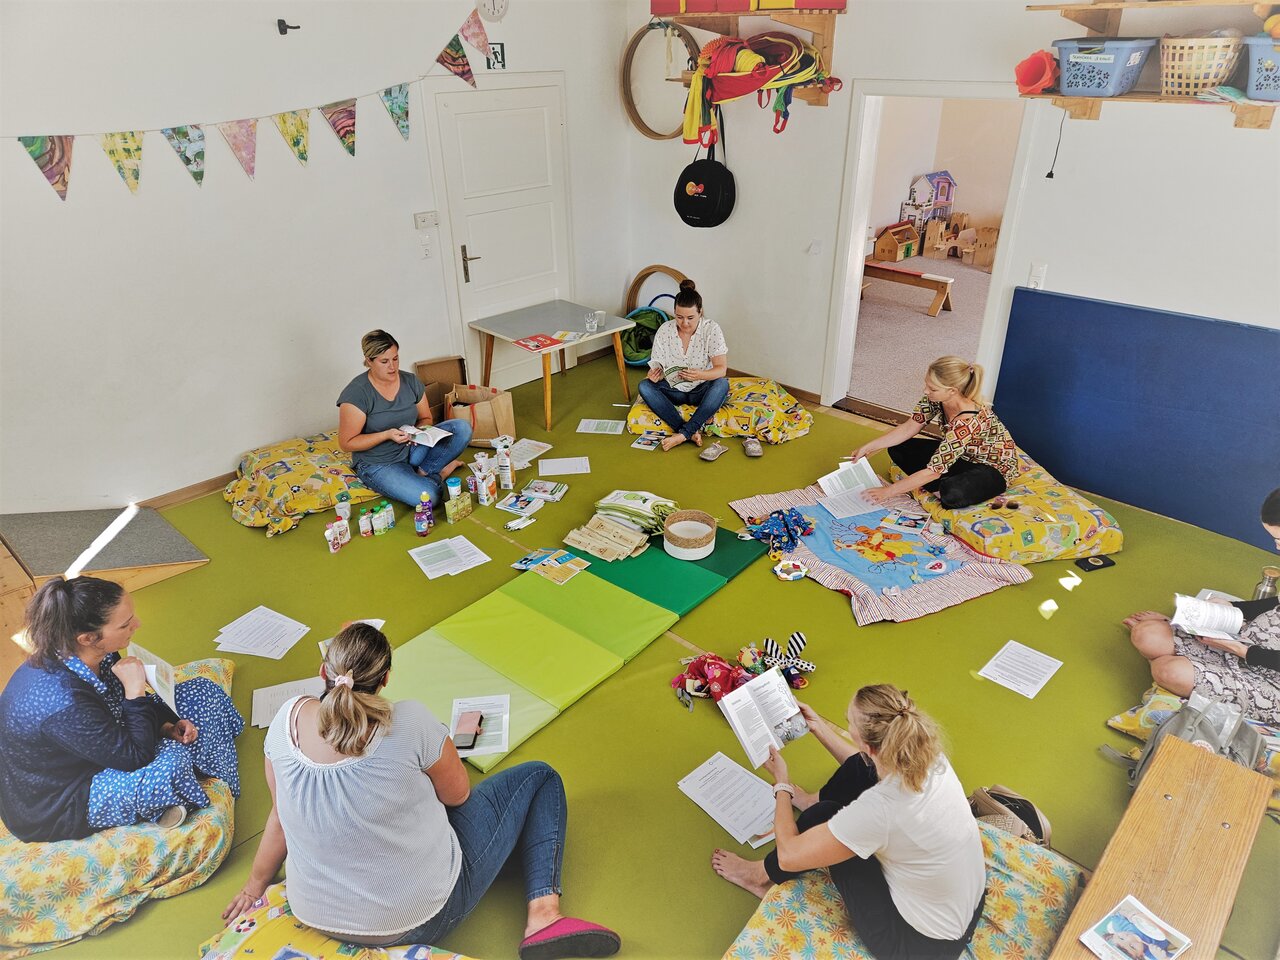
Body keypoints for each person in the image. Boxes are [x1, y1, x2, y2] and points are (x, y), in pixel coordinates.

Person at [223, 622, 620, 960]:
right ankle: (544, 915)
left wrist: (256, 885)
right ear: (386, 678)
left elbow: (280, 813)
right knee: (540, 776)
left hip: (314, 912)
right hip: (416, 918)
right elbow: (458, 795)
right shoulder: (407, 721)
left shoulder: (284, 720)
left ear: (322, 671)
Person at [710, 684, 985, 960]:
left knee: (821, 816)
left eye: (847, 721)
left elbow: (790, 855)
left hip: (917, 946)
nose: (846, 724)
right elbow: (864, 763)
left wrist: (782, 785)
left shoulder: (881, 808)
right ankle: (809, 800)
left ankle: (758, 877)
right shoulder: (930, 755)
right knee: (859, 770)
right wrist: (818, 727)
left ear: (868, 743)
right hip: (968, 905)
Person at [0, 577, 243, 843]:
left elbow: (117, 710)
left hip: (98, 741)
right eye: (126, 624)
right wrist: (136, 692)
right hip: (60, 800)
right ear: (88, 638)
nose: (136, 625)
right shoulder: (63, 702)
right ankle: (188, 787)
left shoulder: (92, 652)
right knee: (172, 763)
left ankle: (184, 789)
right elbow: (134, 757)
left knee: (201, 691)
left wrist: (165, 725)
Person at [1124, 487, 1280, 724]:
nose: (1277, 547)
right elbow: (1274, 603)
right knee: (1147, 633)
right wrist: (1228, 607)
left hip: (1269, 679)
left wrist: (1239, 649)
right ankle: (1184, 666)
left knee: (1167, 671)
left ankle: (1175, 670)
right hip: (1247, 639)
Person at [851, 357, 1021, 510]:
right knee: (898, 448)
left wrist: (888, 492)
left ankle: (944, 484)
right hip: (961, 457)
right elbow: (910, 426)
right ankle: (938, 480)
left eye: (932, 388)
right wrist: (870, 446)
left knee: (951, 495)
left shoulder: (968, 420)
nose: (926, 391)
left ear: (952, 391)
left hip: (992, 469)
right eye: (926, 384)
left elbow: (934, 471)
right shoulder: (936, 399)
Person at [338, 329, 473, 510]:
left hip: (412, 448)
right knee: (430, 498)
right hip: (379, 463)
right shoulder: (357, 393)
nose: (392, 367)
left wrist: (417, 433)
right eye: (384, 361)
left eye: (395, 358)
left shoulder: (410, 381)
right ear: (369, 361)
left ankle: (422, 472)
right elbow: (346, 443)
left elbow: (426, 418)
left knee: (462, 428)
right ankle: (439, 473)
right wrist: (386, 435)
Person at [639, 279, 730, 453]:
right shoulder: (665, 330)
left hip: (701, 390)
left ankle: (682, 434)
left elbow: (721, 369)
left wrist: (700, 375)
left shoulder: (712, 329)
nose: (685, 323)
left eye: (690, 318)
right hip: (674, 390)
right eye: (679, 317)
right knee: (645, 386)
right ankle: (689, 431)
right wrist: (654, 374)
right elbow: (657, 365)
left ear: (700, 313)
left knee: (722, 384)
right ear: (674, 312)